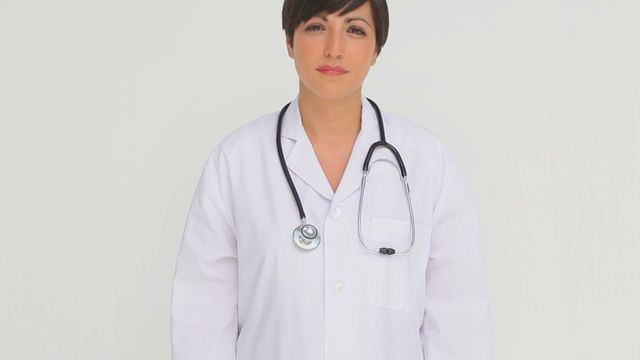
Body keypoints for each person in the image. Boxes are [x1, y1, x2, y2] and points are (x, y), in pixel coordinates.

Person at [170, 0, 493, 359]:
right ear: (290, 42)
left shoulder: (428, 163)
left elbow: (459, 324)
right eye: (316, 27)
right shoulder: (235, 162)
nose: (334, 49)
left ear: (376, 49)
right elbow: (201, 322)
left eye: (355, 30)